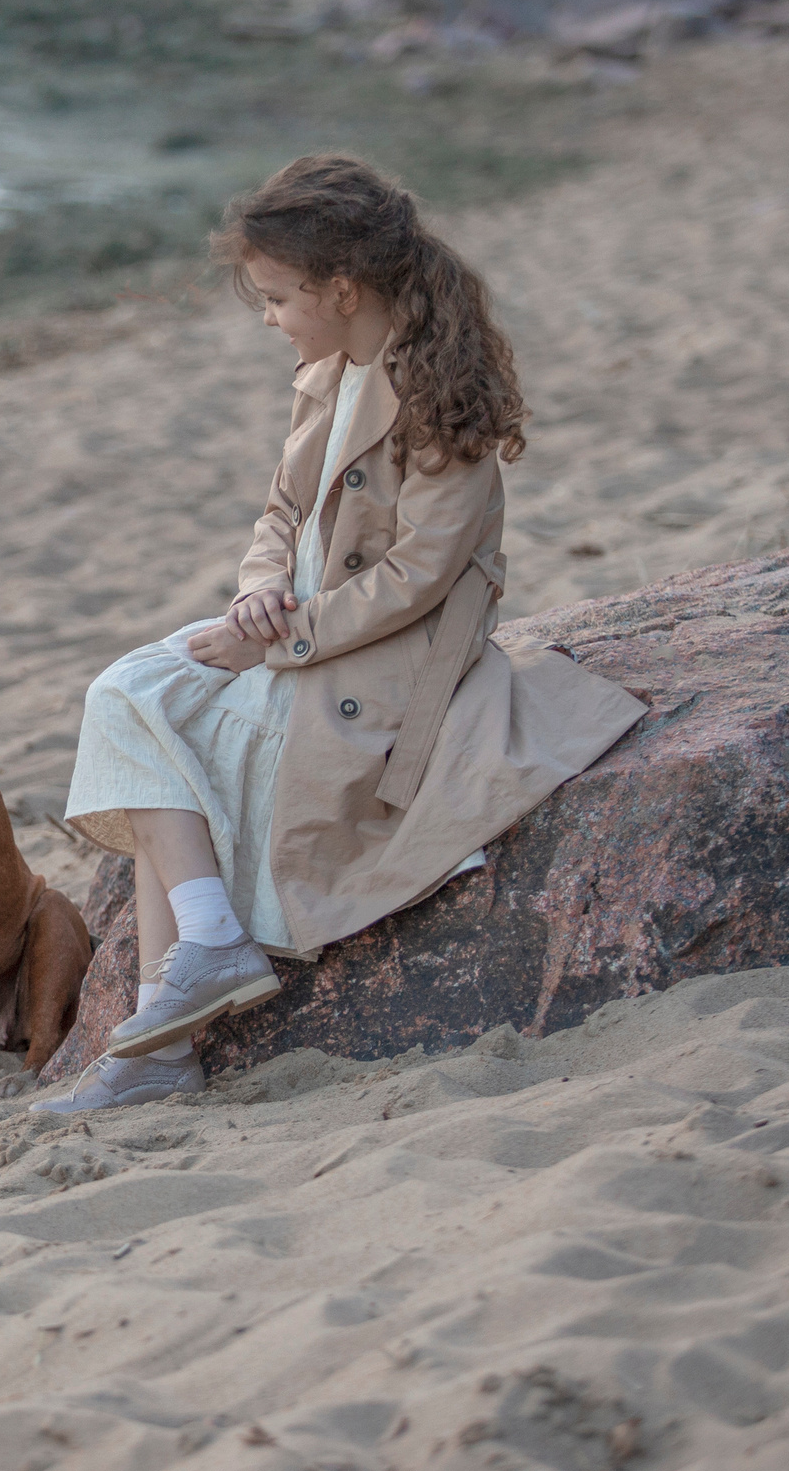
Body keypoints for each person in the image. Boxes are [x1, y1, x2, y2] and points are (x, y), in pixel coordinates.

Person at [37, 155, 646, 1113]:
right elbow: (279, 512)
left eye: (279, 297)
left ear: (342, 288)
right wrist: (258, 596)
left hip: (381, 665)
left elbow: (416, 580)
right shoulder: (328, 371)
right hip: (296, 629)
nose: (270, 317)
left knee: (162, 731)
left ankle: (164, 1035)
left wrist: (278, 640)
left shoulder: (442, 395)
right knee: (126, 690)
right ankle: (194, 967)